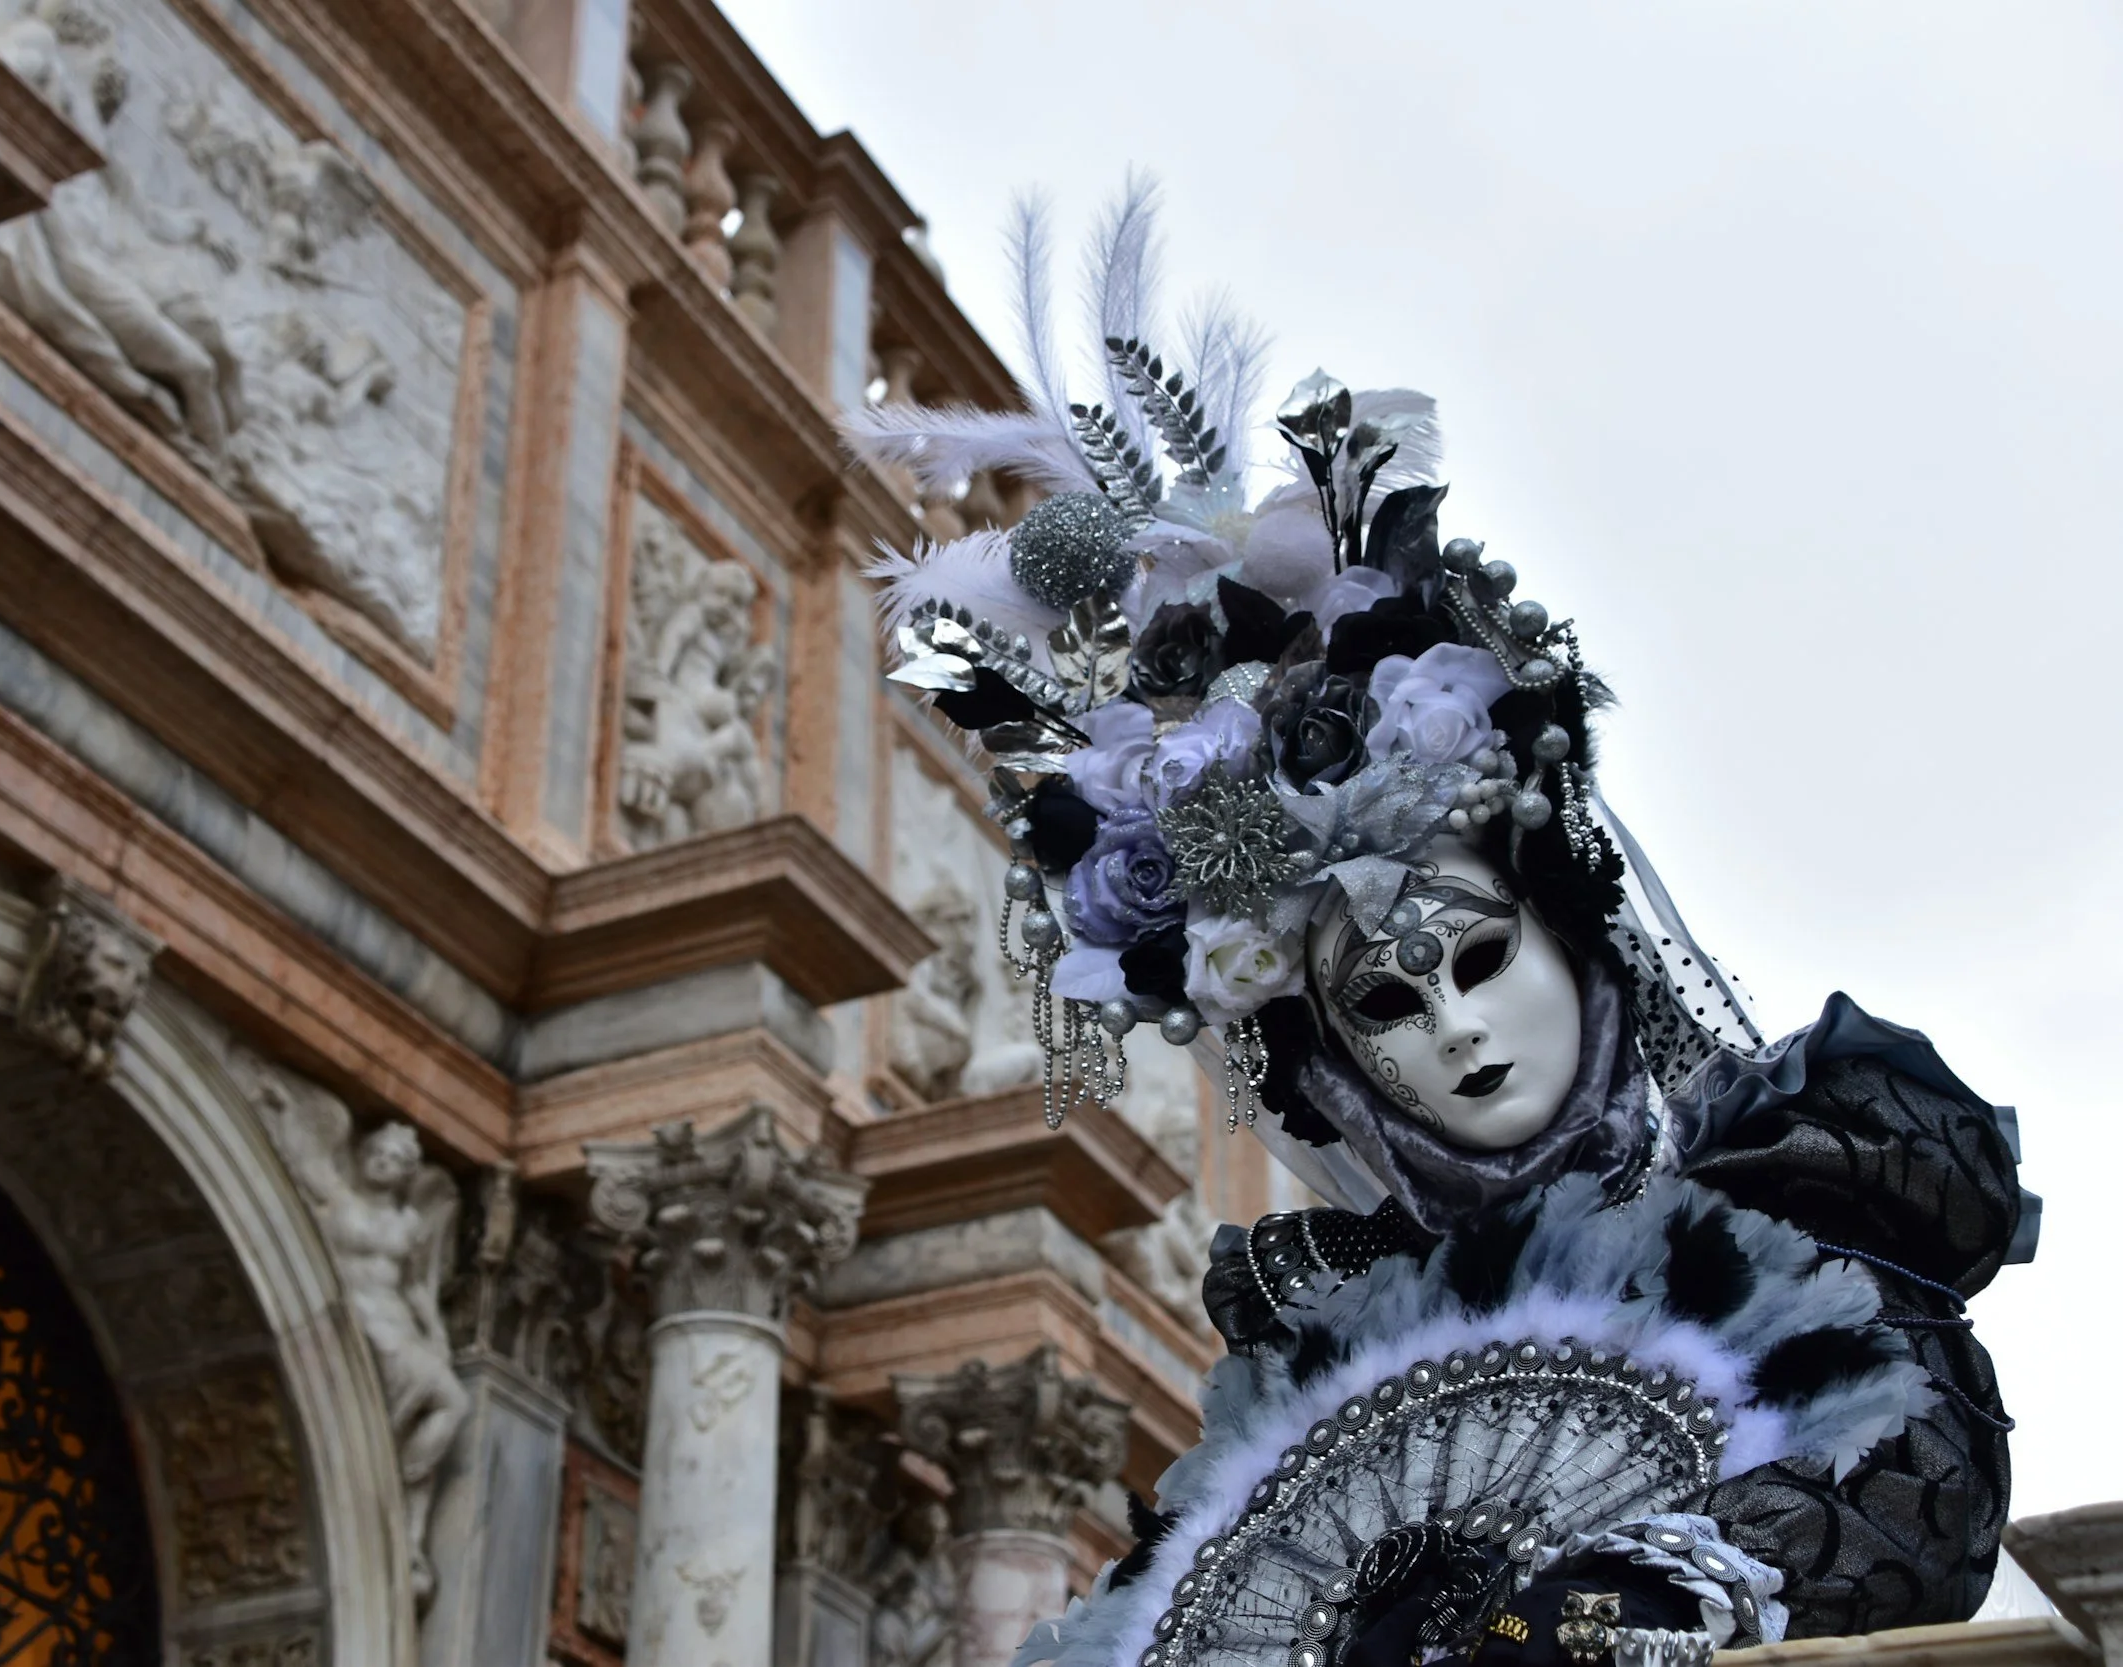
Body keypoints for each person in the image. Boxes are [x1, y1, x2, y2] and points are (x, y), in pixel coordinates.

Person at [843, 188, 2035, 1667]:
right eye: (1390, 1008)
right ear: (1334, 1068)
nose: (1459, 1028)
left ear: (1576, 949)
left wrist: (1582, 1615)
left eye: (1479, 957)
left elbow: (1905, 1502)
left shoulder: (1803, 1216)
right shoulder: (1325, 1344)